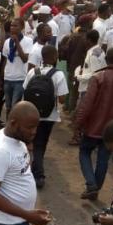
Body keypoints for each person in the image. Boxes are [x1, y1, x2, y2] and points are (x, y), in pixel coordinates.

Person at [76, 47, 113, 200]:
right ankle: (95, 188)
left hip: (94, 126)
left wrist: (78, 123)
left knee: (84, 152)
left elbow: (87, 104)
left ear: (106, 59)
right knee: (103, 158)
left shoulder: (98, 77)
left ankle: (91, 185)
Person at [22, 45, 69, 188]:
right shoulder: (58, 74)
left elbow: (25, 91)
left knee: (31, 143)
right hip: (49, 116)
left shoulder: (32, 72)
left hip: (32, 113)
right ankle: (39, 175)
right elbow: (61, 99)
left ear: (42, 57)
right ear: (55, 57)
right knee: (41, 144)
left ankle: (29, 171)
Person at [1, 18, 32, 115]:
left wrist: (17, 42)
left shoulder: (28, 41)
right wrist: (1, 77)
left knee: (15, 106)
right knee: (8, 107)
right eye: (11, 26)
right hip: (8, 78)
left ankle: (15, 128)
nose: (12, 28)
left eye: (15, 26)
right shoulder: (7, 42)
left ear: (22, 27)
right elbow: (5, 59)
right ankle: (8, 127)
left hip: (20, 78)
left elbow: (25, 59)